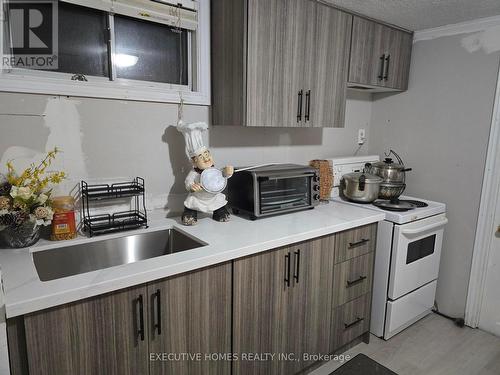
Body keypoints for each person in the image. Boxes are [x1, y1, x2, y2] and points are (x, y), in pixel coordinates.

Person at [177, 122, 234, 226]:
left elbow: (222, 176)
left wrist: (227, 172)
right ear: (194, 162)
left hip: (213, 197)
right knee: (192, 203)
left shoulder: (214, 170)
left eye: (207, 154)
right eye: (201, 157)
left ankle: (219, 213)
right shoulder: (194, 173)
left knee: (219, 202)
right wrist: (192, 186)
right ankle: (190, 215)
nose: (206, 158)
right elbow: (188, 182)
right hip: (198, 198)